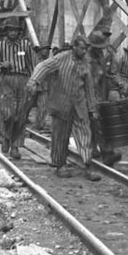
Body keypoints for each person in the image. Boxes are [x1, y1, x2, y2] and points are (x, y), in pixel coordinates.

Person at [27, 35, 101, 181]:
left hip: (79, 105)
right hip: (61, 104)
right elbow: (44, 66)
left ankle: (88, 166)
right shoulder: (61, 58)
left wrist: (92, 108)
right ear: (74, 47)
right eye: (82, 48)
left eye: (86, 49)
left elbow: (89, 87)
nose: (85, 52)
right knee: (60, 136)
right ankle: (60, 165)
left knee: (85, 134)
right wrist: (34, 80)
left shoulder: (86, 64)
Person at [0, 17, 36, 159]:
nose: (12, 33)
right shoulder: (0, 46)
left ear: (19, 32)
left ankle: (15, 146)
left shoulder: (26, 45)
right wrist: (0, 66)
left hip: (22, 80)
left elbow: (32, 64)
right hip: (7, 80)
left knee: (20, 115)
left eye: (15, 30)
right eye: (10, 30)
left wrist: (34, 81)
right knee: (8, 113)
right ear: (6, 31)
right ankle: (5, 136)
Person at [86, 31, 124, 167]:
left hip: (100, 94)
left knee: (96, 124)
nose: (101, 49)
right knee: (98, 123)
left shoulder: (101, 56)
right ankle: (107, 153)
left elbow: (109, 73)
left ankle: (94, 148)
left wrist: (119, 83)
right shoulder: (87, 59)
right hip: (89, 96)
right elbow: (88, 81)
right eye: (99, 47)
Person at [31, 45, 52, 131]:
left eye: (47, 50)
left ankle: (39, 124)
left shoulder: (48, 60)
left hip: (43, 86)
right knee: (27, 106)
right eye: (45, 50)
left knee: (42, 106)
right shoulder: (35, 60)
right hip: (34, 85)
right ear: (41, 50)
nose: (46, 52)